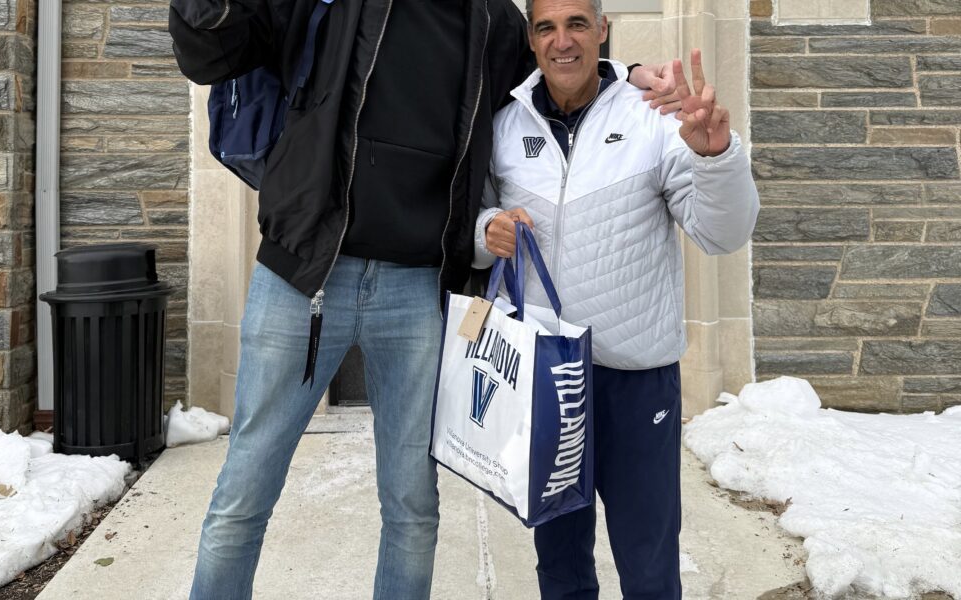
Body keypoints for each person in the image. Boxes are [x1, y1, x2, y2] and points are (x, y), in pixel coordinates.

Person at [168, 1, 677, 598]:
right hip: (305, 276)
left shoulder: (492, 17)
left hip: (416, 287)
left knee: (412, 509)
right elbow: (211, 54)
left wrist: (627, 74)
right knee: (243, 495)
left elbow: (560, 63)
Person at [473, 0, 760, 598]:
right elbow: (472, 226)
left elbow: (722, 232)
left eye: (577, 23)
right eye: (547, 27)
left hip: (636, 382)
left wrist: (714, 156)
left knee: (649, 565)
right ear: (530, 39)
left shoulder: (654, 116)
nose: (563, 42)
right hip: (548, 382)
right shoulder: (506, 125)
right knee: (560, 566)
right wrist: (487, 231)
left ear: (603, 30)